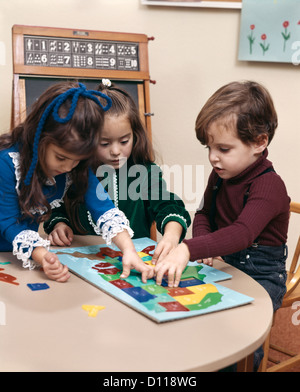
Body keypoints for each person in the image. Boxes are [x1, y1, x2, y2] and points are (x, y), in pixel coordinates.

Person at [155, 80, 290, 310]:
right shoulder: (220, 174)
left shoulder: (269, 185)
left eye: (223, 149)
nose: (213, 157)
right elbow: (203, 214)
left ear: (259, 142)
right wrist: (205, 249)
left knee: (241, 324)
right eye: (209, 147)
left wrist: (189, 247)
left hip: (262, 276)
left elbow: (243, 233)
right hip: (223, 262)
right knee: (182, 302)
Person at [0, 81, 154, 283]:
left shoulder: (75, 164)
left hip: (15, 256)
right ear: (39, 139)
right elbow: (9, 222)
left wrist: (129, 250)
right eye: (61, 158)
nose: (67, 167)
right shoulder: (8, 163)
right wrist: (42, 256)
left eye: (77, 160)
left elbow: (103, 207)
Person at [44, 79, 191, 264]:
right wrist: (59, 224)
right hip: (82, 262)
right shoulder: (74, 170)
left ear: (135, 135)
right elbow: (55, 206)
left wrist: (170, 236)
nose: (115, 151)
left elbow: (168, 206)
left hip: (132, 263)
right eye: (104, 143)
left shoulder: (144, 172)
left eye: (124, 141)